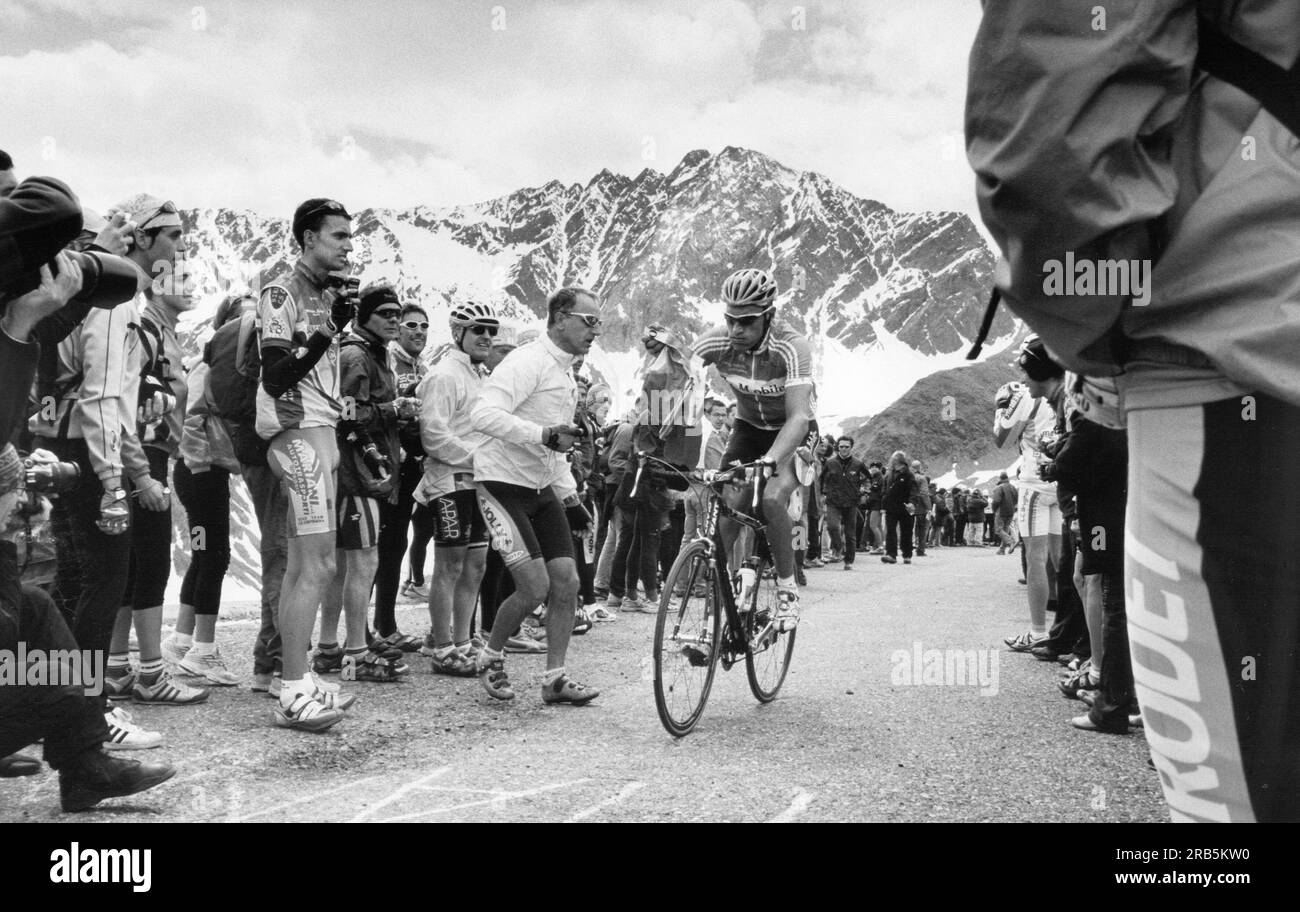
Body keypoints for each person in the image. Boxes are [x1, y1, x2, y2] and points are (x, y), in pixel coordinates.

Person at [34, 195, 176, 749]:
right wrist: (119, 481)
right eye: (172, 234)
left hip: (60, 444)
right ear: (140, 238)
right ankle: (89, 714)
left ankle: (61, 707)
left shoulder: (110, 296)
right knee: (102, 583)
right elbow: (102, 397)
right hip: (88, 457)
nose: (180, 247)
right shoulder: (115, 297)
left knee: (70, 585)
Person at [255, 198, 360, 731]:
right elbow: (275, 376)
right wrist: (327, 332)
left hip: (323, 434)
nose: (348, 243)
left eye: (350, 235)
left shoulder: (327, 294)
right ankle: (292, 687)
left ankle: (296, 675)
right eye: (338, 235)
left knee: (310, 565)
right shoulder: (282, 291)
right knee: (314, 565)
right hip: (295, 435)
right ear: (307, 238)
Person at [470, 287, 601, 704]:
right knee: (533, 587)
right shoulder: (527, 361)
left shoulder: (566, 371)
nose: (595, 330)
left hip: (542, 487)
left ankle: (555, 678)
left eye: (599, 322)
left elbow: (558, 443)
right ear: (561, 317)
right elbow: (482, 415)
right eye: (588, 320)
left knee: (568, 583)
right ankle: (490, 656)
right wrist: (541, 435)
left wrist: (569, 497)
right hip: (502, 483)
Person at [106, 196, 210, 708]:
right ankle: (149, 671)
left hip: (147, 454)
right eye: (177, 266)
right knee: (147, 564)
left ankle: (118, 667)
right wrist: (144, 473)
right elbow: (129, 400)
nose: (184, 278)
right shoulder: (144, 326)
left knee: (130, 565)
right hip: (142, 456)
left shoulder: (161, 331)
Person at [691, 268, 814, 630]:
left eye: (746, 322)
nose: (736, 331)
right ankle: (717, 611)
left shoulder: (791, 346)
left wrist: (771, 461)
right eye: (730, 321)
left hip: (792, 431)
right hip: (747, 428)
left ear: (769, 316)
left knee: (773, 498)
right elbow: (676, 386)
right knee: (727, 509)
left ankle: (788, 592)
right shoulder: (716, 343)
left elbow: (798, 418)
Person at [314, 284, 414, 682]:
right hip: (360, 475)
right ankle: (356, 653)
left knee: (344, 565)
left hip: (360, 473)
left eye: (396, 313)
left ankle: (327, 648)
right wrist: (395, 408)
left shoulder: (373, 352)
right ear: (365, 316)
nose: (394, 319)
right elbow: (349, 414)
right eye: (385, 313)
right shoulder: (358, 355)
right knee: (362, 562)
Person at [165, 294, 249, 686]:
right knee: (215, 555)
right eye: (243, 312)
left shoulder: (222, 367)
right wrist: (201, 464)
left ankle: (182, 640)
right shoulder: (208, 367)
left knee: (203, 556)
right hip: (202, 473)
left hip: (202, 473)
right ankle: (205, 650)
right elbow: (190, 419)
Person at [414, 300, 499, 676]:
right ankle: (443, 646)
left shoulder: (480, 375)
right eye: (478, 329)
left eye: (491, 331)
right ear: (458, 334)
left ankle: (463, 640)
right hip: (447, 481)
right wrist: (480, 459)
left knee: (475, 565)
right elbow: (433, 436)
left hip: (477, 483)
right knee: (449, 565)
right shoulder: (444, 375)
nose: (486, 336)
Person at [995, 338, 1064, 650]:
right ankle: (1068, 630)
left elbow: (1001, 438)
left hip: (1035, 484)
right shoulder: (1068, 385)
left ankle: (1038, 632)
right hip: (1062, 483)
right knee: (1064, 560)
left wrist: (1000, 408)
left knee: (1036, 559)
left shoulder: (1026, 394)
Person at [380, 301, 432, 610]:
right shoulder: (388, 361)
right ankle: (374, 627)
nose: (419, 331)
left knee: (402, 539)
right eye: (411, 325)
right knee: (387, 543)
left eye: (425, 326)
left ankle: (386, 623)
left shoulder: (423, 367)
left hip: (416, 464)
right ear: (397, 328)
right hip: (389, 463)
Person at [822, 436, 868, 570]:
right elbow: (823, 479)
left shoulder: (858, 464)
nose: (843, 449)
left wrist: (864, 491)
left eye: (846, 446)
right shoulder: (830, 463)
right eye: (841, 446)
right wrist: (823, 493)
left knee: (850, 533)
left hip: (851, 502)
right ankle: (839, 547)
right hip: (833, 501)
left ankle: (849, 561)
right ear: (837, 447)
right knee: (832, 527)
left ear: (851, 447)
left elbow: (867, 480)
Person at [881, 451, 915, 564]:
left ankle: (907, 554)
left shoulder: (909, 475)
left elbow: (913, 491)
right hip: (891, 506)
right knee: (890, 530)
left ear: (900, 461)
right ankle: (891, 554)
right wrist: (884, 502)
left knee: (906, 531)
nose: (892, 460)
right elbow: (885, 489)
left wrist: (911, 503)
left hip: (905, 506)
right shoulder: (889, 474)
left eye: (894, 459)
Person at [990, 471, 1018, 554]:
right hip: (1011, 511)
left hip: (1001, 511)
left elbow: (996, 501)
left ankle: (1011, 541)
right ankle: (1002, 550)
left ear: (1000, 478)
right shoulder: (1013, 487)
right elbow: (1016, 499)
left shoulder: (1000, 487)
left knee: (998, 530)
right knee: (1005, 530)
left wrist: (994, 510)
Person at [909, 460, 931, 557]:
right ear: (920, 467)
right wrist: (928, 507)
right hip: (920, 507)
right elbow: (924, 494)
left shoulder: (907, 476)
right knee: (922, 528)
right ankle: (920, 550)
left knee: (907, 528)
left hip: (909, 505)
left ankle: (906, 548)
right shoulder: (922, 478)